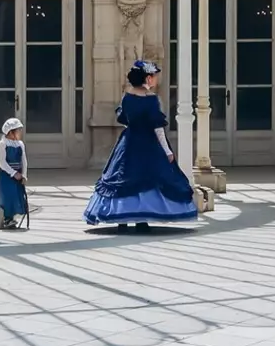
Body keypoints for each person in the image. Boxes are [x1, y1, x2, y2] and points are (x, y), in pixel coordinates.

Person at [84, 61, 198, 230]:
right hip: (147, 142)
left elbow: (124, 119)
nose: (156, 80)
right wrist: (167, 150)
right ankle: (141, 220)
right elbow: (158, 128)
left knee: (124, 177)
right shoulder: (151, 100)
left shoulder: (127, 97)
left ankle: (122, 219)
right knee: (145, 178)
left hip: (128, 141)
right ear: (147, 78)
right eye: (154, 76)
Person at [0, 118, 30, 229]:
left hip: (18, 176)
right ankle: (7, 218)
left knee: (17, 195)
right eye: (18, 130)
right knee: (7, 196)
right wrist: (14, 173)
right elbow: (2, 162)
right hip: (7, 176)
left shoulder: (20, 144)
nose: (20, 133)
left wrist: (24, 174)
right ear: (10, 132)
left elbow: (23, 160)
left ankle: (13, 217)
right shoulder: (2, 144)